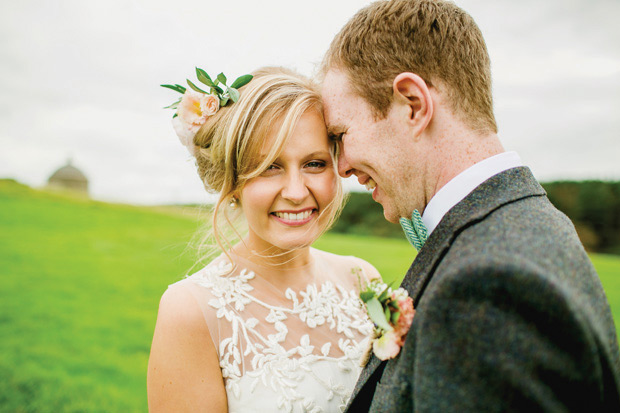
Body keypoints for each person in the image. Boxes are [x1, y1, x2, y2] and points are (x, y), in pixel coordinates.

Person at [320, 0, 620, 411]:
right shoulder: (530, 222)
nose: (341, 166)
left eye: (341, 133)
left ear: (412, 104)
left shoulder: (487, 289)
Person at [147, 67, 378, 412]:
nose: (297, 192)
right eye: (270, 167)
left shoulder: (363, 280)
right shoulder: (191, 311)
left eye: (314, 164)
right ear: (233, 180)